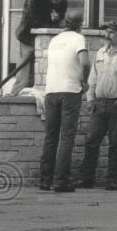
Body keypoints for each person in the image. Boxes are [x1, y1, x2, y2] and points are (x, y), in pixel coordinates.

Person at [79, 19, 117, 191]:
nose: (108, 35)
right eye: (107, 31)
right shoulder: (101, 53)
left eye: (112, 32)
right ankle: (87, 179)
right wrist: (90, 98)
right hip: (99, 104)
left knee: (115, 143)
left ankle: (112, 180)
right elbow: (92, 77)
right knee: (91, 141)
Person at [39, 10, 89, 192]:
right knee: (66, 137)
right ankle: (61, 181)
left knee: (51, 136)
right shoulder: (78, 39)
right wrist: (84, 81)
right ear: (80, 24)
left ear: (65, 22)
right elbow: (84, 62)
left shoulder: (55, 40)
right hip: (69, 91)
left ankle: (45, 180)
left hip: (51, 90)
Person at [9, 0, 68, 96]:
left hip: (50, 41)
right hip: (28, 38)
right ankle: (13, 95)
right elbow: (31, 21)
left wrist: (58, 20)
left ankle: (45, 94)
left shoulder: (63, 2)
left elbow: (61, 21)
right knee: (23, 72)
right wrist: (51, 20)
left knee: (47, 68)